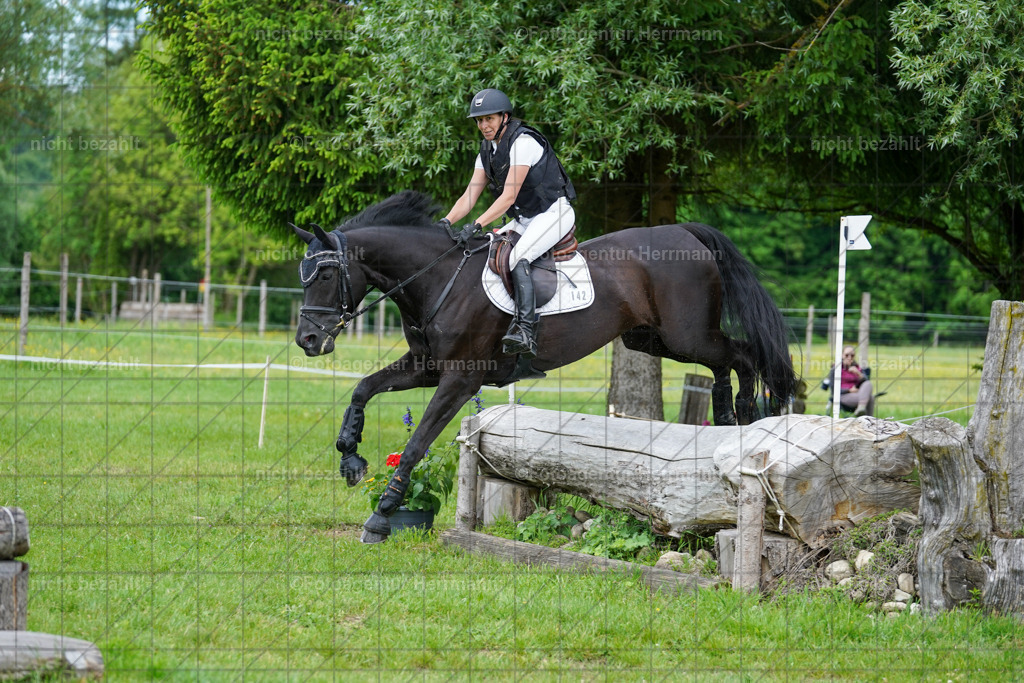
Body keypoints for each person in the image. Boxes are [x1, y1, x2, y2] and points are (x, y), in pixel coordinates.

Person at [437, 88, 576, 359]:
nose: (483, 126)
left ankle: (526, 330)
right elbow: (469, 196)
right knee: (488, 251)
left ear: (504, 116)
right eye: (479, 120)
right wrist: (445, 222)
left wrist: (476, 224)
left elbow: (509, 195)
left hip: (553, 213)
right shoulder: (487, 151)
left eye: (489, 118)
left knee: (518, 259)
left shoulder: (523, 142)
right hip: (525, 218)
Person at [825, 346, 874, 416]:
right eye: (847, 355)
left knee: (868, 383)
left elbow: (866, 385)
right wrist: (849, 390)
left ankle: (861, 408)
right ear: (842, 355)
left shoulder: (857, 368)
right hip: (843, 396)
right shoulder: (835, 369)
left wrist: (858, 373)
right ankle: (866, 418)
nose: (849, 357)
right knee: (870, 398)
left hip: (859, 394)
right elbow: (833, 390)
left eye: (852, 355)